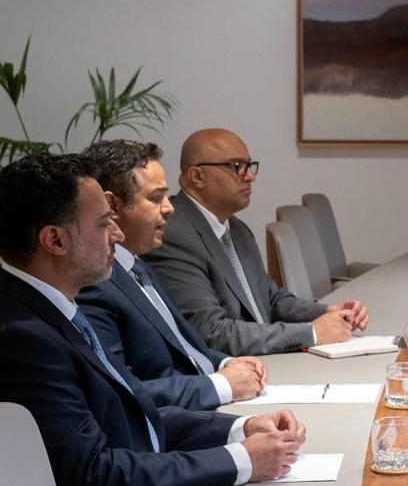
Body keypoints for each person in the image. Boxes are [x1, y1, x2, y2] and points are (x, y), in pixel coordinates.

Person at [0, 153, 304, 486]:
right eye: (104, 223)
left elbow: (131, 417)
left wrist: (240, 430)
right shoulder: (24, 337)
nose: (118, 235)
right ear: (55, 240)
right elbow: (95, 478)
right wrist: (240, 462)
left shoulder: (53, 306)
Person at [77, 140, 266, 410]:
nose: (169, 207)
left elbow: (182, 347)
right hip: (182, 424)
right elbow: (122, 391)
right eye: (155, 198)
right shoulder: (94, 283)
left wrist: (225, 363)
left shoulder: (137, 264)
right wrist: (222, 385)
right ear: (112, 207)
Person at [144, 128, 369, 355]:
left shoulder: (238, 229)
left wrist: (326, 311)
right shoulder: (172, 234)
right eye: (236, 167)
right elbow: (210, 332)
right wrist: (311, 333)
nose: (250, 176)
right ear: (197, 177)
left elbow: (270, 299)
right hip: (233, 374)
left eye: (249, 166)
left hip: (268, 360)